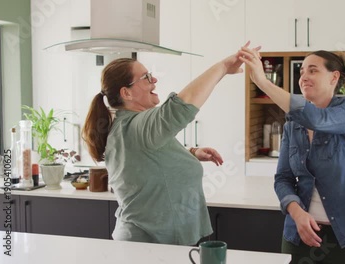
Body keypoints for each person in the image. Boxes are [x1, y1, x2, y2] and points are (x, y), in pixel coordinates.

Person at [82, 44, 256, 245]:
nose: (154, 80)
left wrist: (191, 152)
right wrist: (223, 67)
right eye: (146, 77)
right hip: (150, 245)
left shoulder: (130, 126)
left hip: (150, 242)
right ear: (126, 93)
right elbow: (181, 105)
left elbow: (148, 159)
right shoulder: (138, 125)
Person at [239, 47, 345, 264]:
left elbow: (317, 119)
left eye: (312, 71)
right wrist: (296, 213)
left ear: (334, 77)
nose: (303, 77)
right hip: (299, 236)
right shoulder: (292, 125)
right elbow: (283, 179)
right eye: (302, 71)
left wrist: (264, 83)